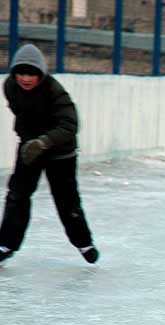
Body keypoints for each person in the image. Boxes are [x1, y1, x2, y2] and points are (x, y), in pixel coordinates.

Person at [0, 44, 98, 265]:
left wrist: (44, 141)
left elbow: (71, 125)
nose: (25, 78)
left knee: (67, 200)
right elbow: (22, 114)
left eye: (31, 74)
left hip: (60, 152)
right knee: (17, 195)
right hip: (29, 149)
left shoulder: (55, 92)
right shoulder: (10, 86)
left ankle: (84, 243)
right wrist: (29, 140)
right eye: (21, 73)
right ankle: (6, 244)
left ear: (41, 74)